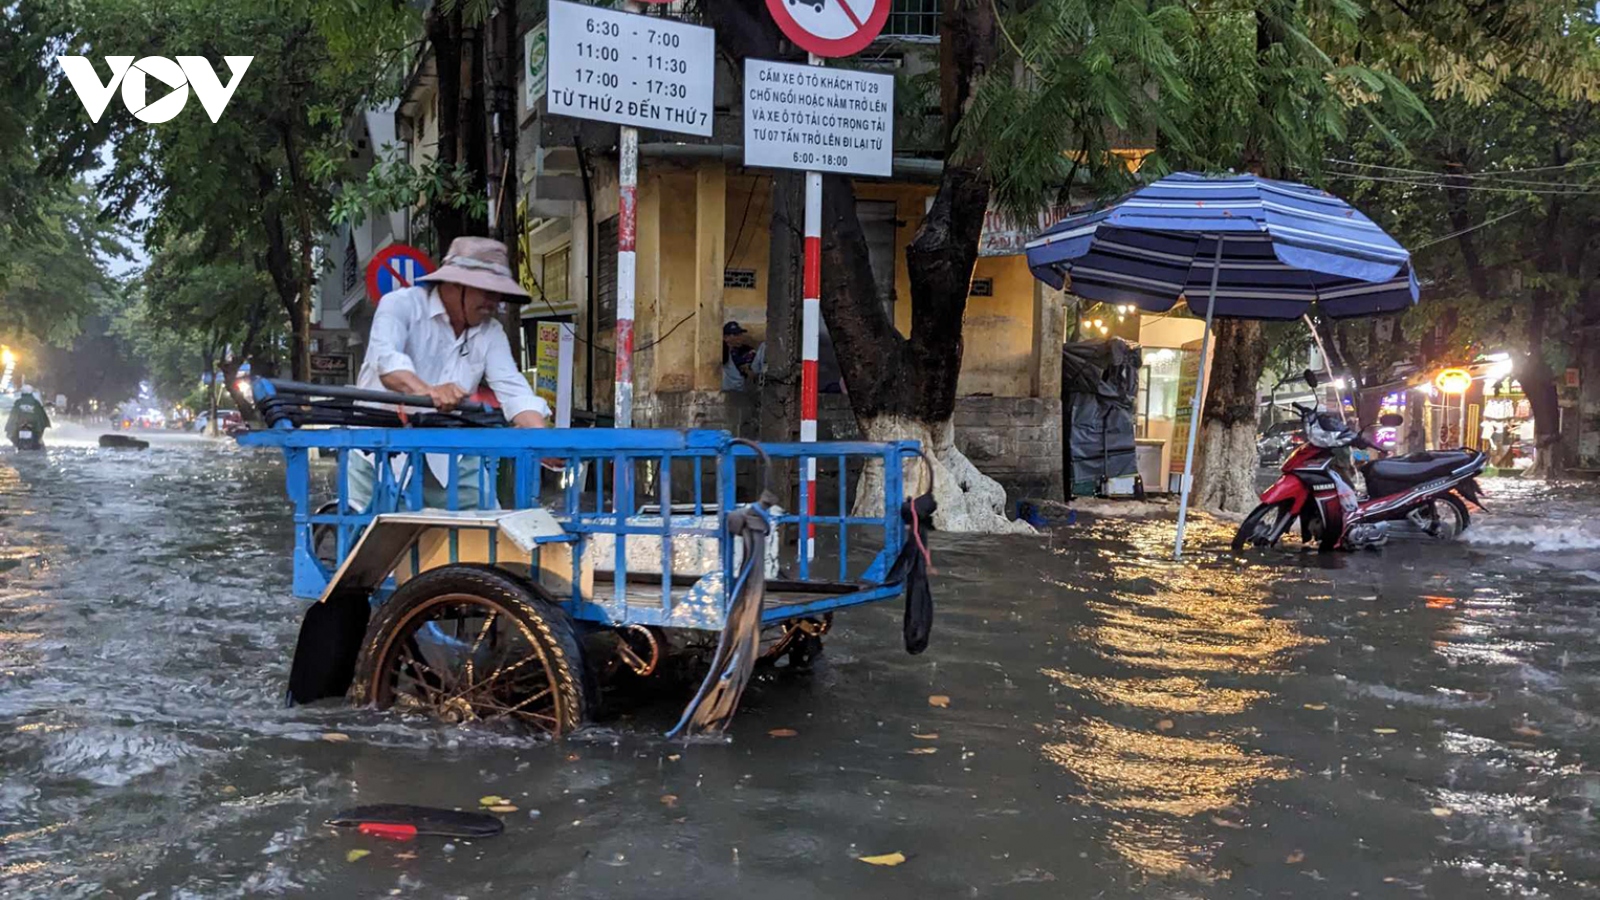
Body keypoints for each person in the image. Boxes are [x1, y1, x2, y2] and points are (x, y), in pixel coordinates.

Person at [350, 236, 550, 510]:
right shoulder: (401, 305)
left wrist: (543, 439)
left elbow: (513, 389)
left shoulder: (490, 332)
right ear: (455, 285)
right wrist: (427, 391)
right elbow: (387, 363)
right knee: (367, 537)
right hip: (378, 447)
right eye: (486, 292)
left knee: (488, 530)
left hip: (448, 451)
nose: (493, 303)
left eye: (497, 295)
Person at [6, 385, 50, 449]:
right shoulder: (35, 402)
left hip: (22, 425)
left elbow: (13, 416)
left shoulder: (18, 402)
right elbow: (42, 416)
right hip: (31, 426)